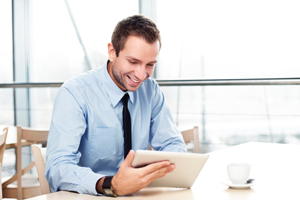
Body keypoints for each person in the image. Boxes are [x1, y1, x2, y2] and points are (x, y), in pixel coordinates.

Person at [45, 15, 186, 197]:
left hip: (138, 194)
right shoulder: (75, 93)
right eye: (133, 62)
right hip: (89, 195)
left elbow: (172, 144)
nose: (141, 74)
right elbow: (57, 167)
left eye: (150, 64)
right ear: (112, 52)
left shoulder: (151, 91)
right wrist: (112, 184)